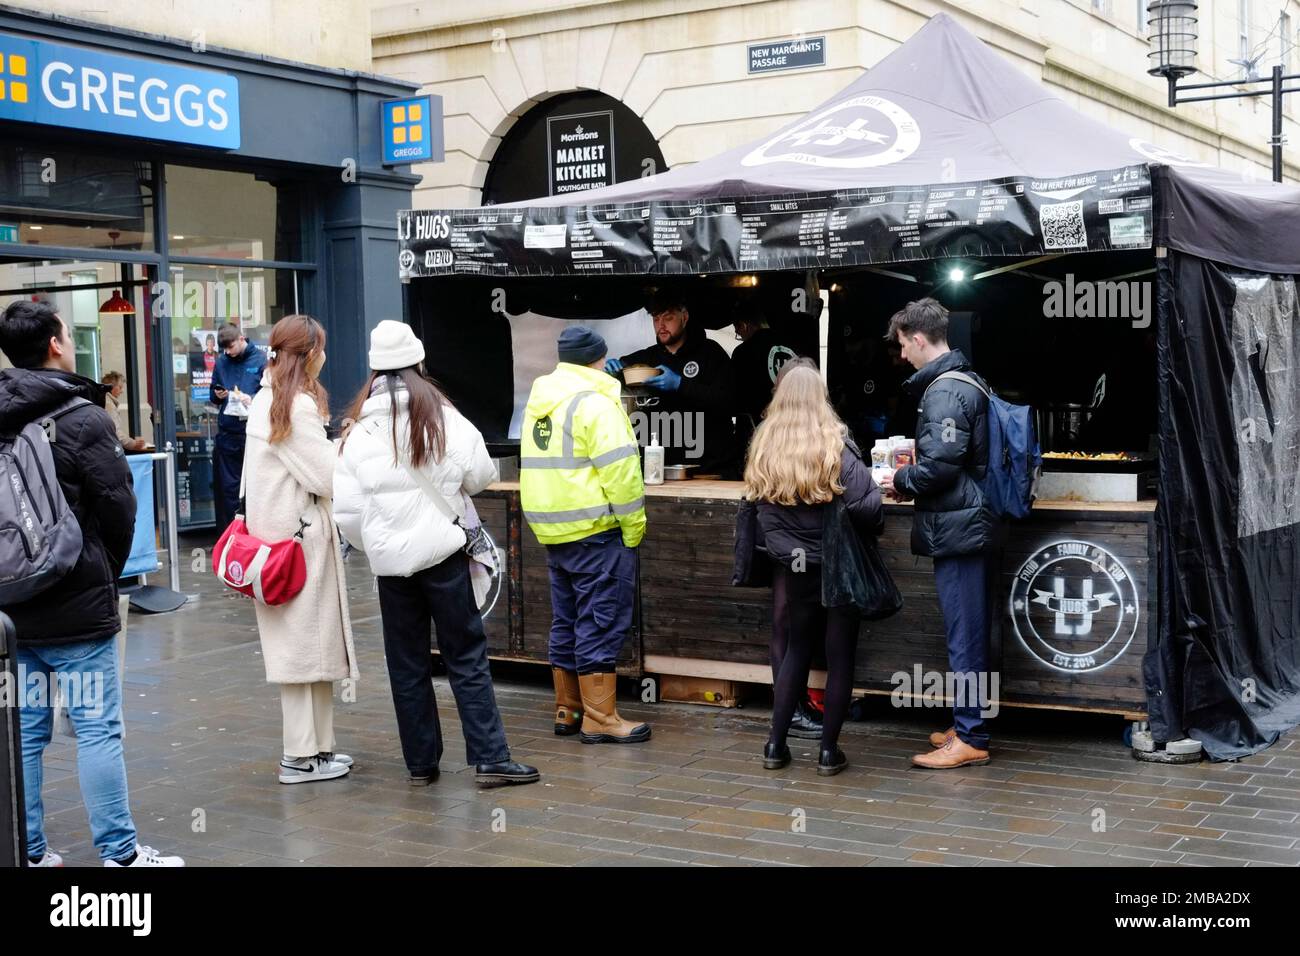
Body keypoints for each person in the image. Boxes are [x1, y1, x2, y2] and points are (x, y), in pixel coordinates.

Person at [0, 298, 183, 867]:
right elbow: (118, 508)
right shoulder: (82, 417)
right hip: (76, 604)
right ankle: (121, 855)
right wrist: (105, 571)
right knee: (98, 730)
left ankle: (28, 850)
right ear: (57, 343)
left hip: (10, 607)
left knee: (25, 736)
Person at [334, 321, 539, 787]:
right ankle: (490, 758)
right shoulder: (443, 416)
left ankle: (421, 765)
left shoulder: (356, 431)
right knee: (465, 656)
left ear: (374, 370)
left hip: (390, 569)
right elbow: (482, 475)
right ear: (418, 362)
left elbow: (346, 514)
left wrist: (381, 542)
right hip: (444, 557)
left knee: (406, 665)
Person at [744, 361, 883, 776]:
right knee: (840, 657)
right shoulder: (834, 446)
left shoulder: (764, 446)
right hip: (837, 566)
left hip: (794, 569)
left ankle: (775, 745)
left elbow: (757, 511)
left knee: (796, 651)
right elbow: (870, 506)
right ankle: (828, 753)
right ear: (819, 399)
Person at [878, 298, 997, 770]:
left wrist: (898, 481)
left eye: (903, 344)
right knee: (972, 633)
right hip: (971, 523)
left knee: (965, 636)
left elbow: (941, 468)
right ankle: (969, 724)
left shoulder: (945, 391)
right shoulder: (967, 378)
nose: (902, 354)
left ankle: (970, 736)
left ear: (919, 338)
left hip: (961, 528)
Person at [521, 326, 651, 744]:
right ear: (599, 358)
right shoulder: (597, 403)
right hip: (597, 532)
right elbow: (622, 474)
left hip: (554, 532)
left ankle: (569, 709)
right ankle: (600, 718)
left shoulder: (540, 400)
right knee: (600, 620)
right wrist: (634, 530)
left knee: (567, 619)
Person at [243, 314, 358, 784]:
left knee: (310, 650)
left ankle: (318, 749)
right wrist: (346, 444)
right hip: (297, 543)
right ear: (309, 354)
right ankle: (298, 755)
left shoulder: (269, 399)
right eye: (320, 349)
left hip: (277, 542)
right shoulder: (292, 407)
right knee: (302, 652)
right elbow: (326, 476)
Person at [606, 289, 737, 477]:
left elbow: (729, 401)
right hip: (659, 469)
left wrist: (680, 385)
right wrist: (615, 369)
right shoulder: (647, 357)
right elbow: (618, 374)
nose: (661, 326)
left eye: (668, 318)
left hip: (708, 469)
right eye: (656, 319)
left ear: (684, 317)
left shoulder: (711, 353)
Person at [210, 322, 267, 531]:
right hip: (228, 434)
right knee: (228, 489)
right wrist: (218, 394)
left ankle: (255, 533)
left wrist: (251, 399)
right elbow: (213, 395)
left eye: (230, 347)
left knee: (254, 488)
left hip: (253, 434)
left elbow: (270, 396)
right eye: (224, 349)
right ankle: (230, 536)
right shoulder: (222, 362)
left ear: (241, 339)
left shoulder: (261, 360)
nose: (228, 352)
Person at [730, 306, 801, 453]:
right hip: (797, 429)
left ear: (744, 325)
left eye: (738, 331)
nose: (739, 335)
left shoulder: (743, 352)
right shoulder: (794, 345)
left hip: (760, 434)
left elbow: (736, 396)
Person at [101, 371, 148, 452]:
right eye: (120, 387)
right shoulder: (109, 405)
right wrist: (133, 444)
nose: (122, 391)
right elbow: (115, 432)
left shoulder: (104, 401)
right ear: (111, 387)